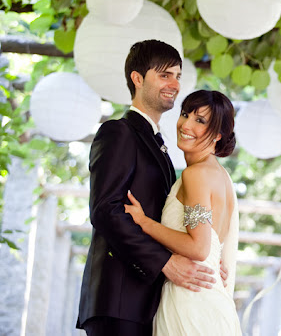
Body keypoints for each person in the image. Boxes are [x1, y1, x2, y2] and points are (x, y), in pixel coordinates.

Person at [77, 40, 221, 336]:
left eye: (178, 76)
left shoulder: (163, 148)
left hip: (148, 302)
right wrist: (165, 262)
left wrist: (207, 260)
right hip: (119, 301)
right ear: (138, 78)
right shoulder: (119, 132)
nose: (175, 84)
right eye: (165, 75)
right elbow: (106, 211)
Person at [124, 89, 241, 335]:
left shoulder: (196, 175)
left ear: (218, 135)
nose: (186, 124)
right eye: (185, 114)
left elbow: (199, 248)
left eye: (200, 120)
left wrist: (144, 223)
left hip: (191, 302)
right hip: (210, 298)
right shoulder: (221, 176)